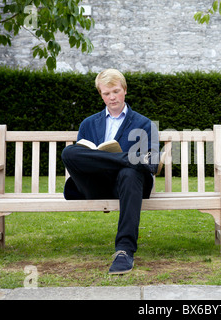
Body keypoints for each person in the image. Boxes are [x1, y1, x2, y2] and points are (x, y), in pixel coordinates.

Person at [61, 68, 163, 275]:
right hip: (95, 185)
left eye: (116, 91)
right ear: (101, 94)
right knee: (69, 152)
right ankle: (127, 158)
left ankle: (124, 251)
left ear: (124, 90)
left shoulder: (144, 124)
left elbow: (152, 163)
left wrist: (128, 164)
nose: (112, 97)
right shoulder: (88, 124)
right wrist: (127, 159)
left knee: (130, 172)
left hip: (129, 186)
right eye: (106, 93)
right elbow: (81, 161)